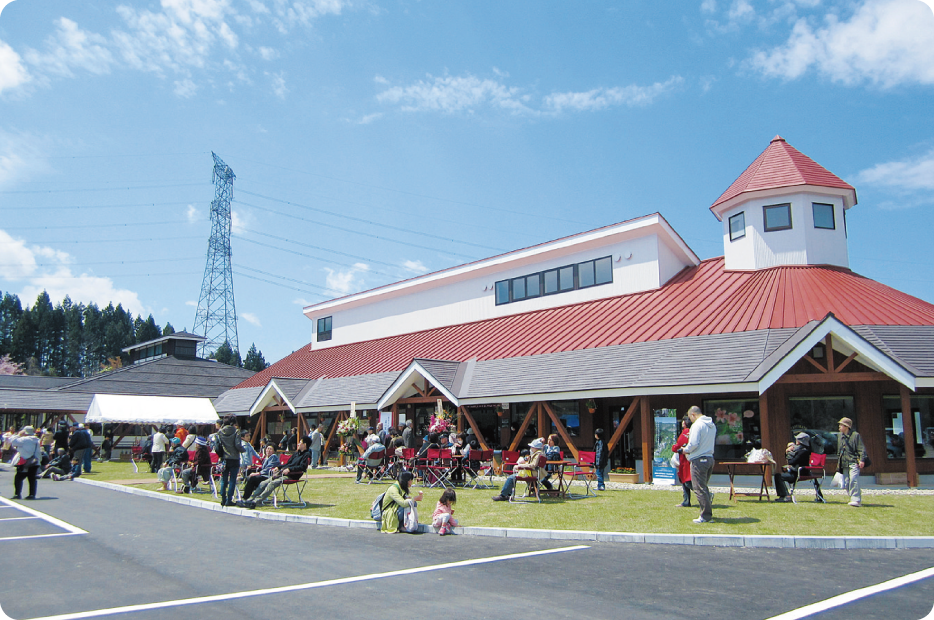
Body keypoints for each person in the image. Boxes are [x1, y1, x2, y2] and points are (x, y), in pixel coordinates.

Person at [241, 436, 311, 509]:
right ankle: (250, 499)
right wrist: (278, 467)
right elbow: (287, 464)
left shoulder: (306, 455)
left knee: (272, 483)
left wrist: (290, 469)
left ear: (305, 445)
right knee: (263, 483)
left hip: (292, 475)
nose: (298, 444)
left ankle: (256, 501)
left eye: (300, 442)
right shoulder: (296, 454)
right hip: (282, 473)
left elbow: (302, 467)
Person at [678, 405, 716, 524]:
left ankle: (705, 516)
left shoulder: (697, 425)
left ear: (693, 414)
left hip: (699, 460)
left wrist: (684, 450)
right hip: (710, 458)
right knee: (703, 487)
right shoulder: (711, 424)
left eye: (690, 418)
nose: (690, 420)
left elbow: (693, 443)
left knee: (698, 488)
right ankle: (707, 514)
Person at [772, 432, 812, 502]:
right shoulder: (803, 450)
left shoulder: (802, 452)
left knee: (778, 476)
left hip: (798, 474)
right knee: (779, 475)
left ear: (799, 441)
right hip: (799, 472)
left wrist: (788, 452)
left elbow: (791, 462)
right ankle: (784, 495)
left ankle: (785, 496)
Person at [216, 416, 245, 507]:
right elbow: (237, 445)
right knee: (232, 479)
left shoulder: (220, 432)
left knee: (224, 479)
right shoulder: (236, 431)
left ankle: (223, 498)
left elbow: (217, 445)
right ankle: (229, 499)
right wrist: (243, 450)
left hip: (224, 458)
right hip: (234, 458)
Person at [837, 417, 866, 508]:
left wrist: (862, 459)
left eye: (841, 425)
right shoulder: (839, 436)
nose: (839, 427)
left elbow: (861, 448)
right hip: (844, 462)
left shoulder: (855, 435)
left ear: (846, 426)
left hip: (853, 461)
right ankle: (852, 497)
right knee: (846, 482)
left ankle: (856, 500)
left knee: (854, 480)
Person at [12, 426, 42, 500]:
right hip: (34, 461)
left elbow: (13, 442)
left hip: (24, 461)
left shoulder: (24, 439)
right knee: (32, 479)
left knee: (18, 478)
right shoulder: (36, 440)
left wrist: (18, 434)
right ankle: (32, 494)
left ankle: (17, 494)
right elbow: (38, 452)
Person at [672, 417, 693, 507]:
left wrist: (674, 447)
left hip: (685, 459)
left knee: (686, 480)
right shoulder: (691, 431)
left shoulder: (686, 432)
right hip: (689, 458)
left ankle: (706, 494)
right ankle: (686, 501)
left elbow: (679, 444)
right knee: (686, 480)